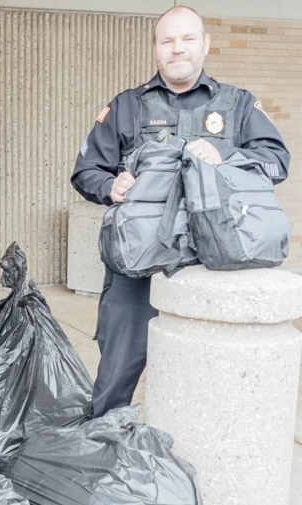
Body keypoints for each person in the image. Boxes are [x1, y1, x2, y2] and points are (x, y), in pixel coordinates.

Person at [71, 6, 290, 418]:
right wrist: (110, 185)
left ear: (205, 44)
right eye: (167, 40)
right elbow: (86, 171)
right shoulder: (126, 106)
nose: (177, 49)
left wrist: (225, 153)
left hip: (218, 260)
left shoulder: (239, 104)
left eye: (188, 38)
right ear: (156, 49)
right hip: (139, 262)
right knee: (115, 373)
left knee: (213, 384)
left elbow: (276, 161)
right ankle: (103, 448)